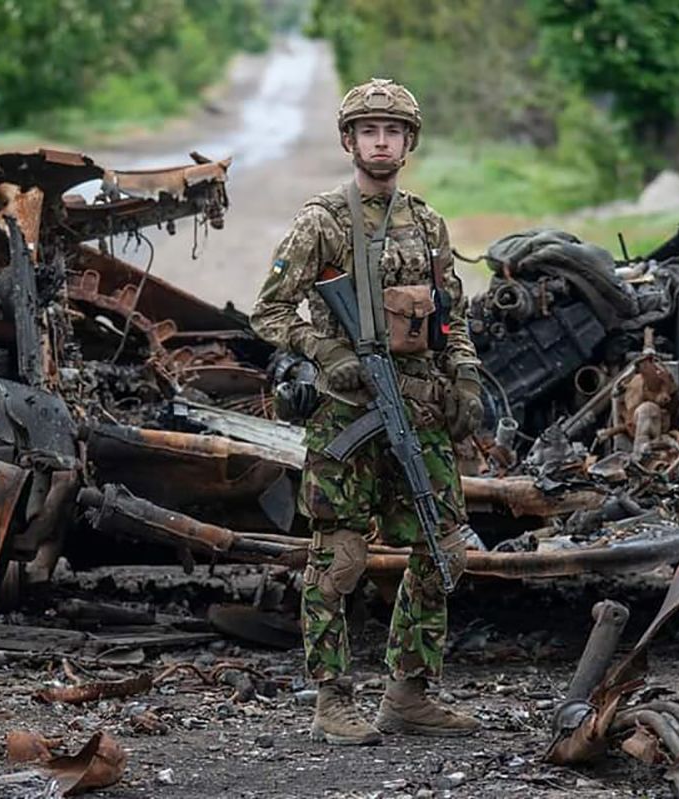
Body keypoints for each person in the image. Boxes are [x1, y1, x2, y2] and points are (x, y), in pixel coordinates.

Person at [250, 78, 484, 745]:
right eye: (368, 131)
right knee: (339, 557)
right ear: (350, 141)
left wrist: (464, 375)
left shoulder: (429, 222)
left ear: (408, 143)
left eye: (393, 131)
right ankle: (331, 698)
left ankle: (408, 691)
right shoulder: (322, 219)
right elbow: (269, 309)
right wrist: (326, 350)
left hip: (422, 407)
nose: (381, 142)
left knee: (443, 551)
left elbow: (452, 315)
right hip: (349, 412)